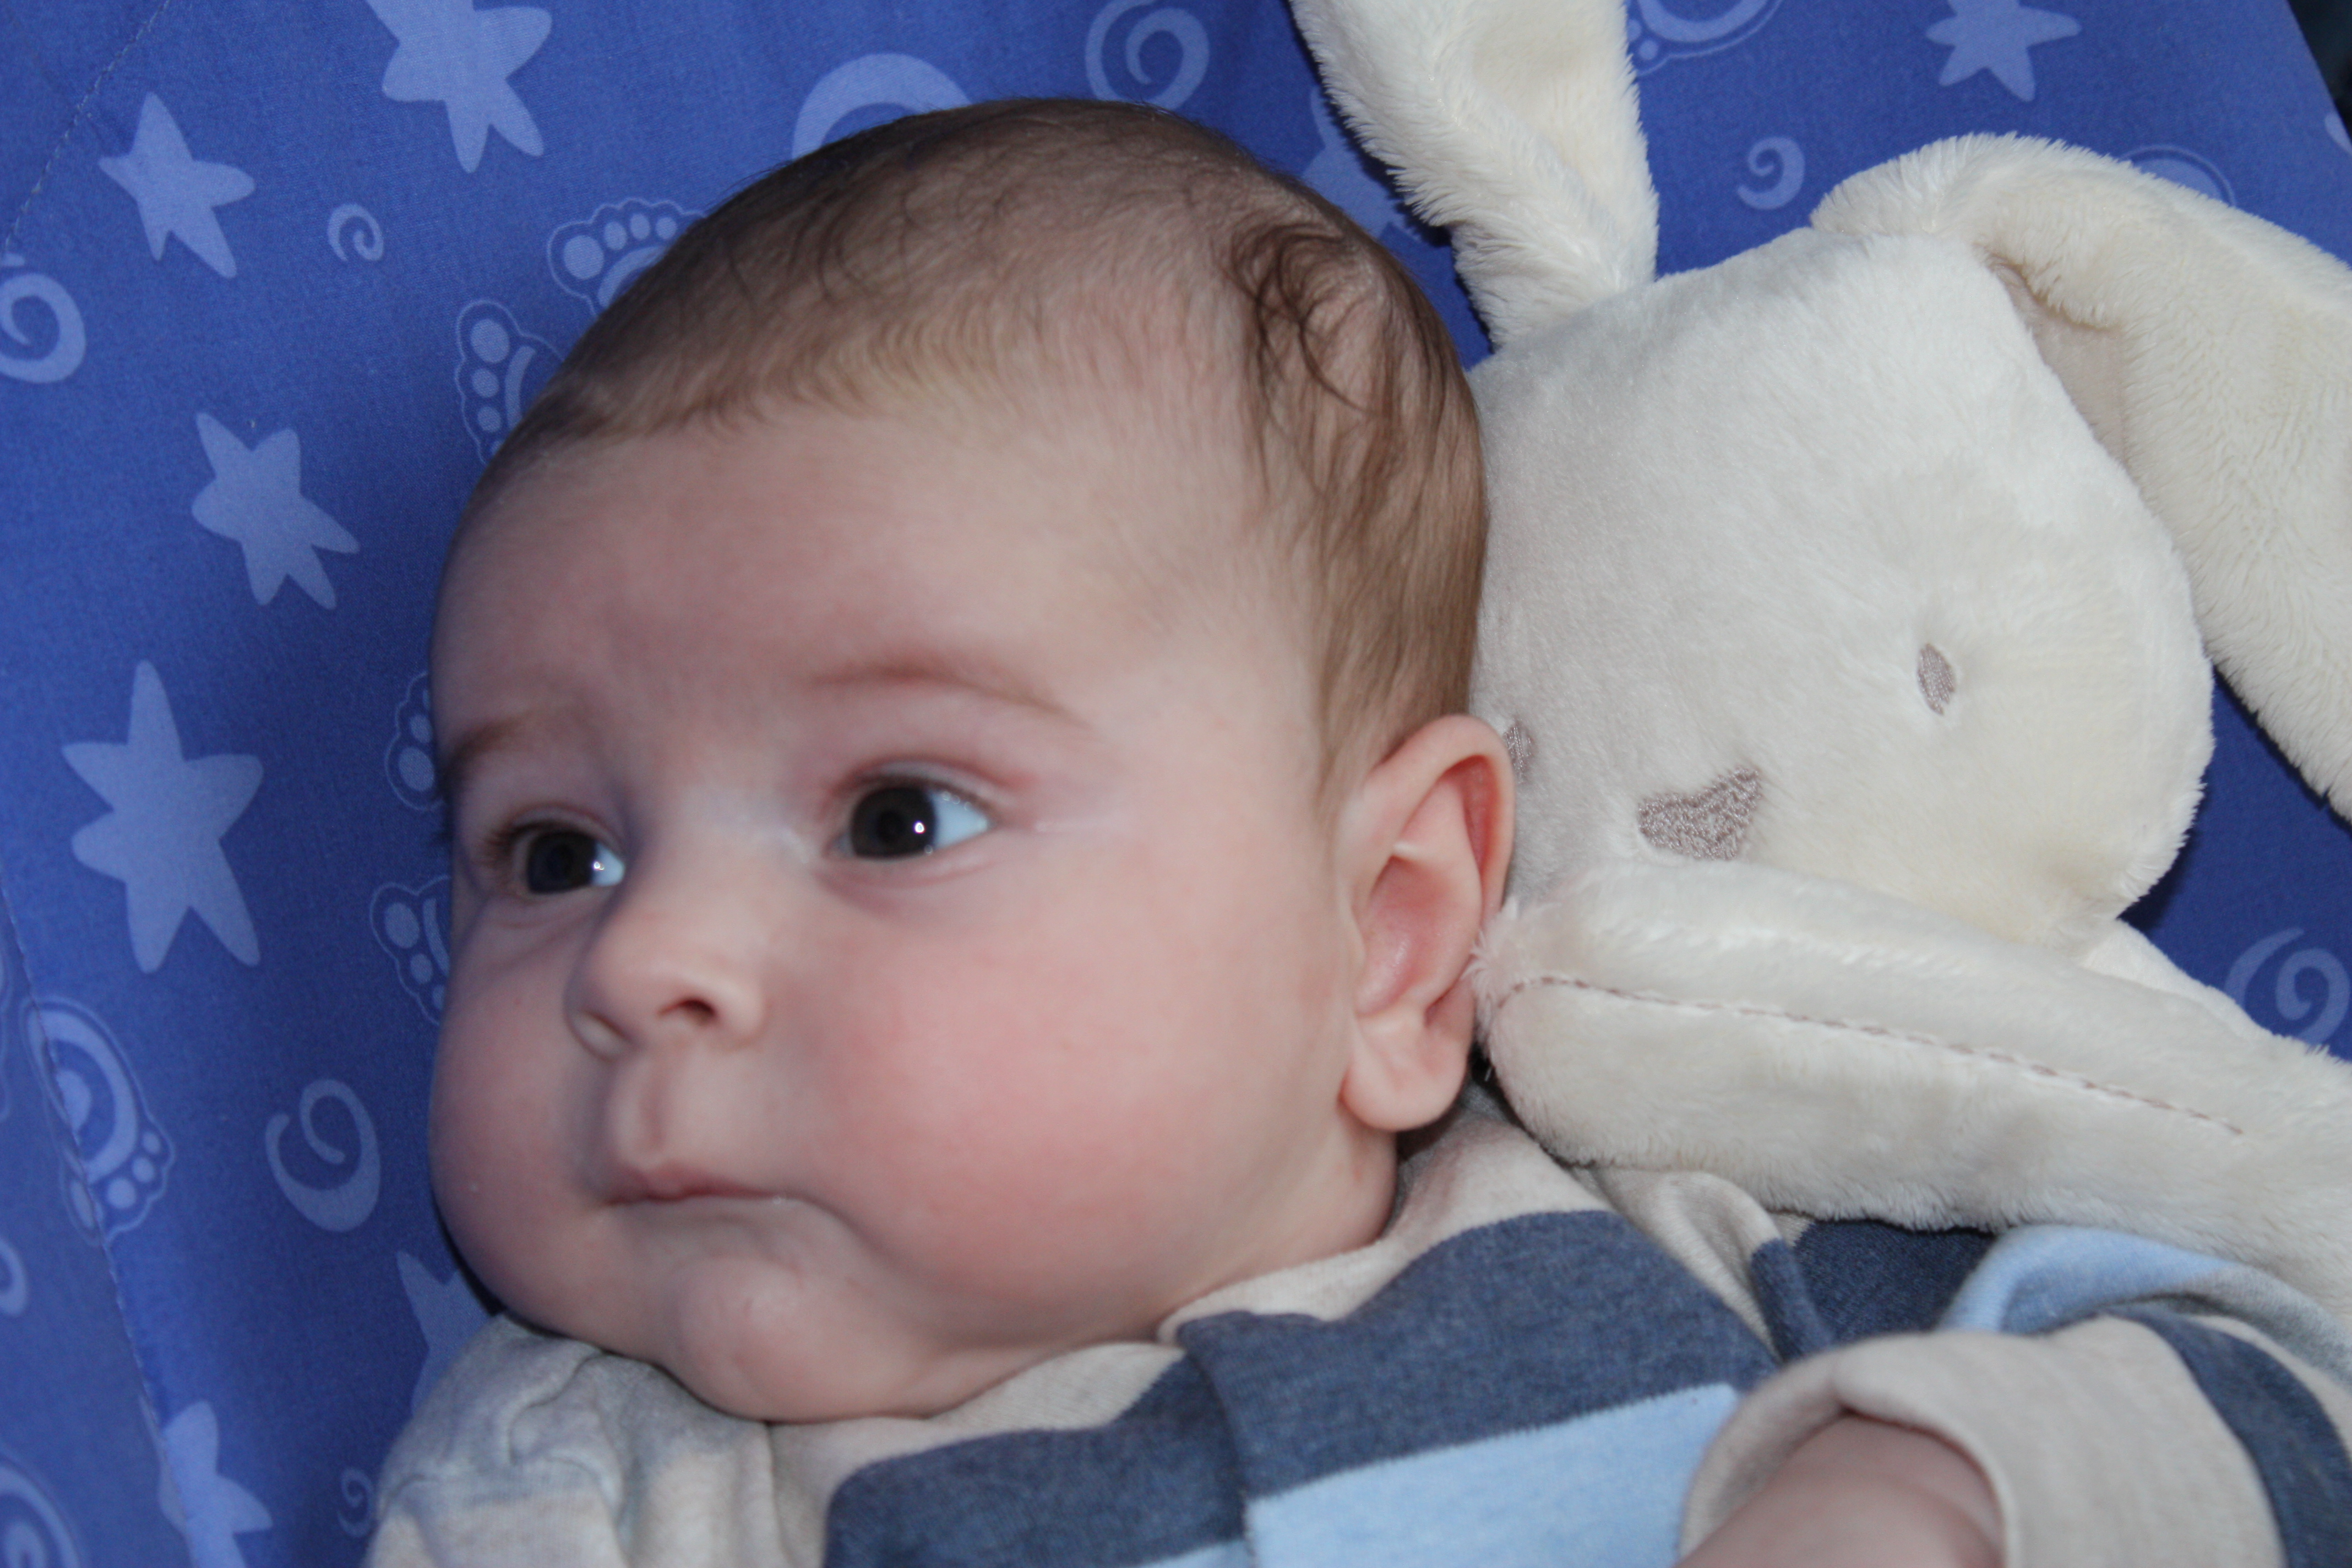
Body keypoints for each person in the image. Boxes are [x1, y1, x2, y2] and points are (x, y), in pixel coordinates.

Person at [368, 99, 2352, 1567]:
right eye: (553, 856)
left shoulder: (1709, 1234)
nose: (642, 960)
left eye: (898, 816)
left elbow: (2284, 1401)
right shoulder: (573, 1500)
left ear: (1390, 934)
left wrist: (1935, 1487)